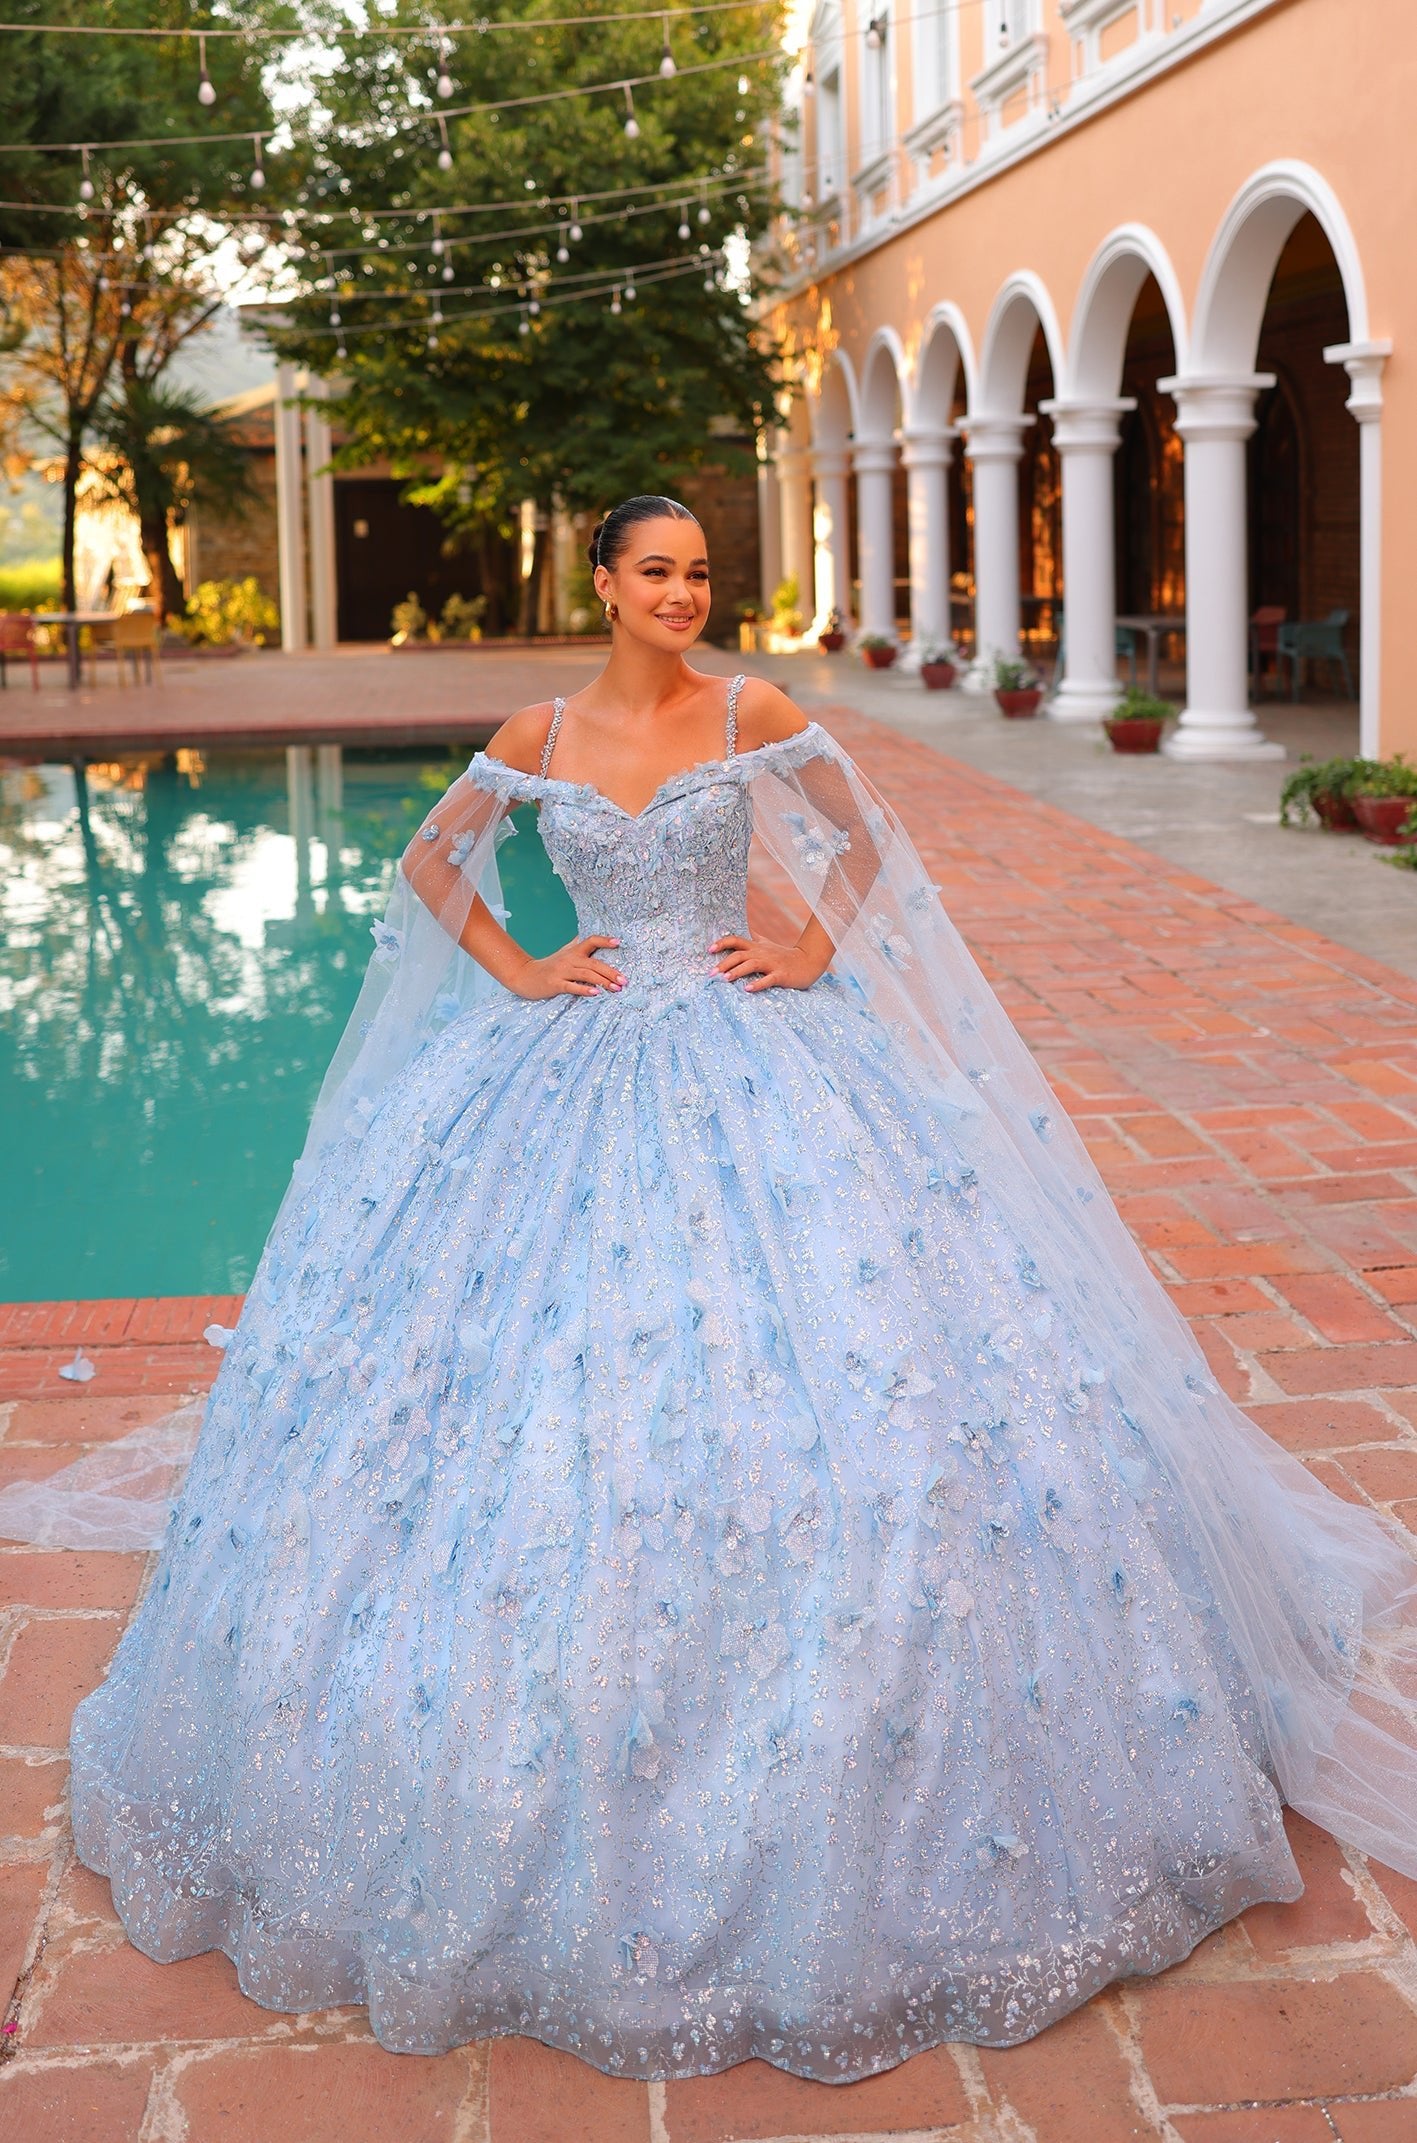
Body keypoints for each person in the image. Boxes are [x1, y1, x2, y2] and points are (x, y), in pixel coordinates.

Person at [8, 493, 1417, 2085]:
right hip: (578, 1053)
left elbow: (864, 835)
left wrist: (808, 940)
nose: (682, 594)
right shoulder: (534, 726)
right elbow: (428, 861)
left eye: (699, 574)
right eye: (656, 572)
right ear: (603, 583)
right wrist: (526, 967)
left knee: (859, 1361)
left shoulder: (755, 708)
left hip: (756, 1051)